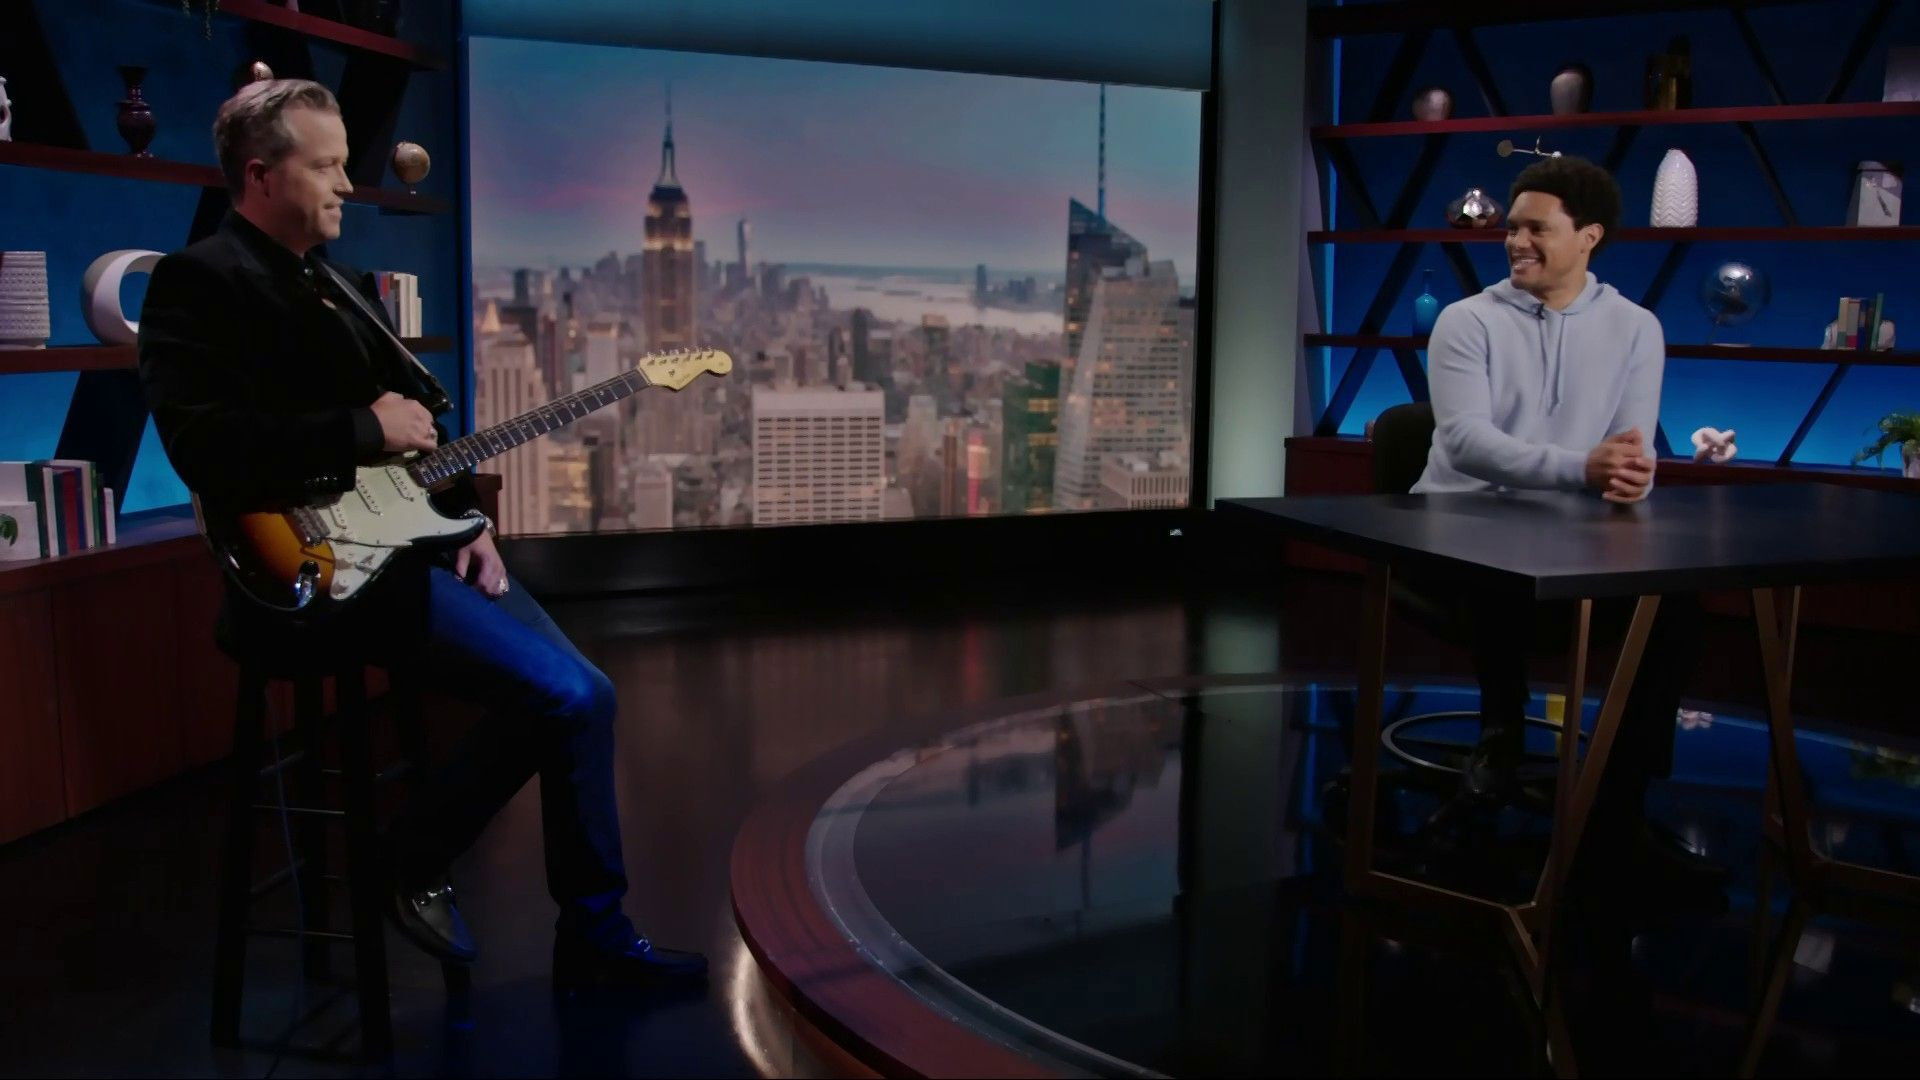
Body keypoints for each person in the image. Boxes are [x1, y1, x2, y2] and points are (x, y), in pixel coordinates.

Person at [138, 79, 706, 987]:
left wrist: (462, 521)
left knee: (588, 695)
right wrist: (362, 428)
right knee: (563, 696)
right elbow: (202, 447)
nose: (346, 185)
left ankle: (593, 933)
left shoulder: (340, 285)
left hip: (407, 546)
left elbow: (417, 436)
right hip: (307, 571)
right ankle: (408, 861)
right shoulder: (198, 282)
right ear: (260, 175)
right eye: (325, 167)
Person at [1410, 155, 1716, 885]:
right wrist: (1583, 468)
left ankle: (1622, 790)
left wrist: (1631, 474)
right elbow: (1466, 443)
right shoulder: (1466, 321)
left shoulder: (1636, 328)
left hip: (1571, 532)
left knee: (1676, 600)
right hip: (1458, 524)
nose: (1516, 242)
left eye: (1536, 229)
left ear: (1589, 237)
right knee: (1500, 562)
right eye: (1512, 228)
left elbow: (1630, 448)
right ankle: (1501, 736)